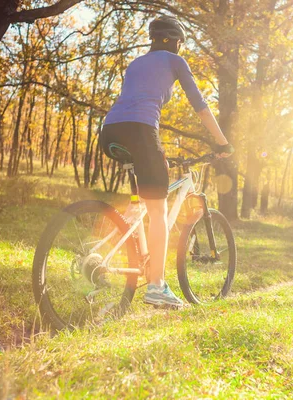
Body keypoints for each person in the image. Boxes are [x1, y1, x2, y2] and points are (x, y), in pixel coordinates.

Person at [101, 15, 233, 308]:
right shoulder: (175, 61)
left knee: (145, 198)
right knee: (159, 212)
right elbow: (199, 104)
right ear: (176, 41)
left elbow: (133, 100)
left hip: (110, 130)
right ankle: (157, 287)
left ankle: (131, 248)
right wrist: (222, 142)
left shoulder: (136, 64)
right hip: (141, 130)